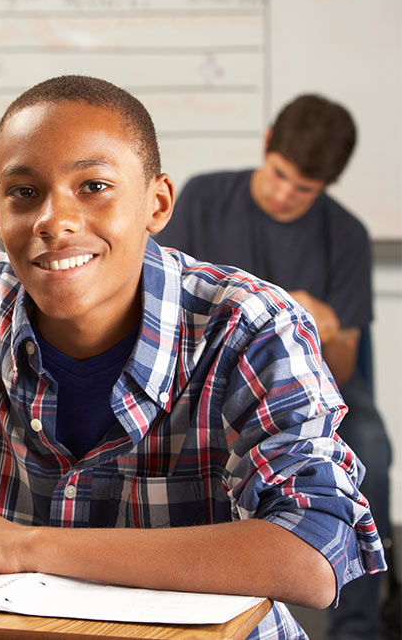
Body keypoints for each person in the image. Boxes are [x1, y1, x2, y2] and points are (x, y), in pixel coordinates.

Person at [0, 76, 386, 640]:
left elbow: (312, 554)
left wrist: (28, 546)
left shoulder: (251, 328)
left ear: (157, 204)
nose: (54, 220)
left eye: (94, 187)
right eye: (25, 192)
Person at [155, 93, 395, 640]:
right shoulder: (206, 196)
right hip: (211, 385)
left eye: (304, 189)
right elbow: (166, 307)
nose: (286, 195)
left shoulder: (347, 235)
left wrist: (328, 324)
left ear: (327, 186)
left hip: (314, 391)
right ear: (267, 145)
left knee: (371, 450)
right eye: (281, 174)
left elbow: (346, 366)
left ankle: (357, 626)